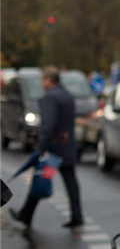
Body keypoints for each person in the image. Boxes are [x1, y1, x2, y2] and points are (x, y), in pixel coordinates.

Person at [10, 66, 83, 229]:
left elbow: (48, 124)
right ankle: (77, 216)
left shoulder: (50, 97)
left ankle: (26, 215)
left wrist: (42, 145)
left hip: (53, 149)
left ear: (49, 80)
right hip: (67, 146)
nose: (42, 84)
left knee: (39, 180)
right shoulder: (67, 95)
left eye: (42, 80)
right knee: (71, 183)